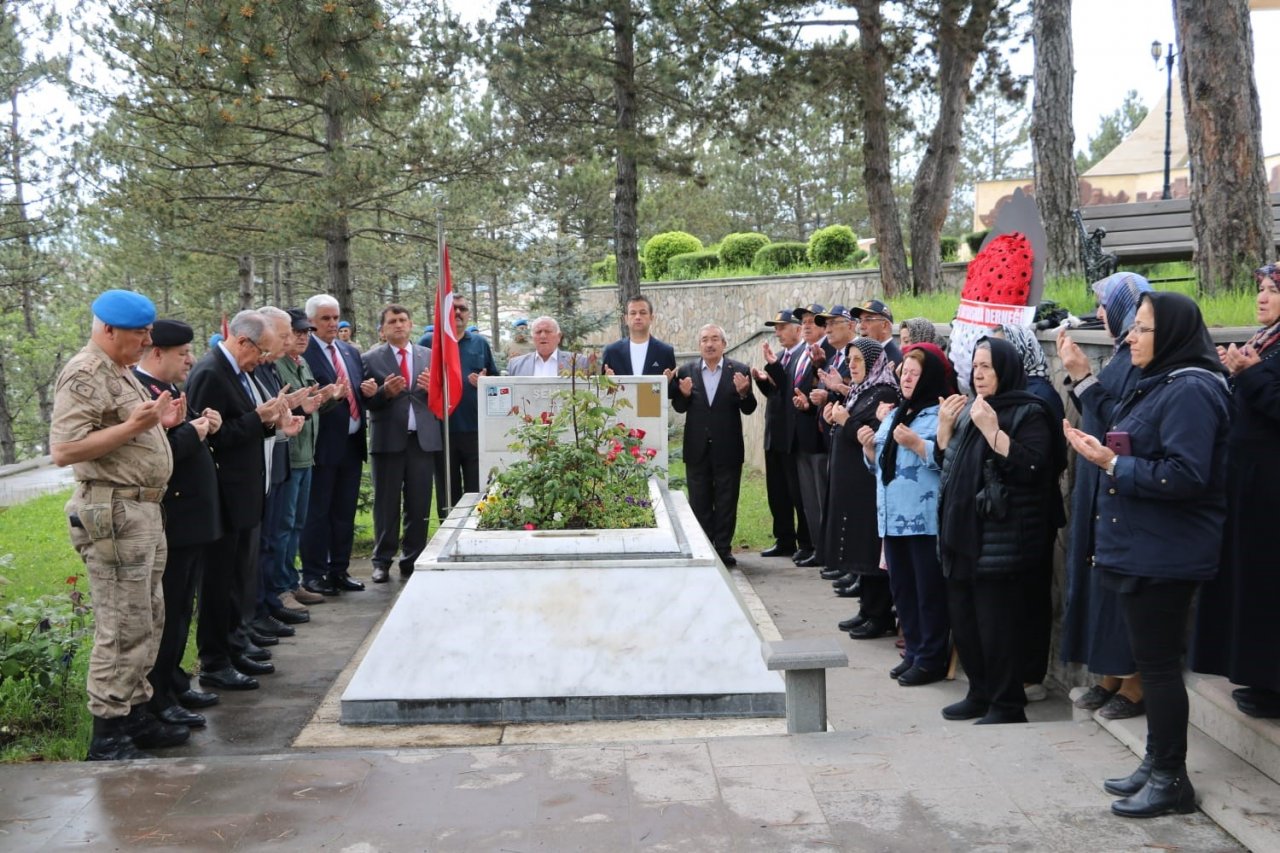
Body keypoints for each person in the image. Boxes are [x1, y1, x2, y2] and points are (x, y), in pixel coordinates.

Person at [1063, 291, 1231, 819]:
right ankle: (1156, 761)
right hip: (1142, 546)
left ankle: (1171, 778)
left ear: (1173, 335)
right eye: (1132, 328)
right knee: (1153, 664)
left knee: (1158, 669)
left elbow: (1187, 474)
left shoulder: (1192, 391)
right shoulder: (1159, 382)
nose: (1129, 337)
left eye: (1142, 329)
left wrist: (1113, 463)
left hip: (1167, 552)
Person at [51, 290, 189, 760]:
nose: (147, 340)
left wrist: (159, 425)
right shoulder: (85, 374)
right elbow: (65, 450)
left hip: (143, 510)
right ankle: (107, 734)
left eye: (149, 332)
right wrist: (134, 427)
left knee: (149, 617)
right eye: (139, 333)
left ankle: (135, 714)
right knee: (122, 622)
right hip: (113, 513)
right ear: (108, 329)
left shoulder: (122, 372)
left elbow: (125, 434)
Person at [935, 337, 1066, 724]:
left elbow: (1034, 467)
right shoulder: (970, 409)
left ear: (1005, 369)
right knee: (965, 622)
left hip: (1002, 541)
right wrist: (945, 429)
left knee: (997, 627)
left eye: (987, 366)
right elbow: (950, 466)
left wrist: (993, 431)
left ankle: (1007, 703)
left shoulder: (1030, 411)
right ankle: (979, 692)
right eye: (975, 365)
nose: (978, 373)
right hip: (962, 535)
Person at [1057, 272, 1153, 720]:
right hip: (1101, 478)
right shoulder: (1122, 353)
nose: (1099, 314)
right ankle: (1110, 674)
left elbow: (1121, 416)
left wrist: (1081, 375)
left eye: (1105, 304)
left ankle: (1134, 683)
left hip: (1120, 481)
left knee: (1119, 587)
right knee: (1096, 580)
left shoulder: (1141, 360)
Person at [186, 311, 299, 691]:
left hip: (246, 489)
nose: (264, 360)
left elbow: (242, 424)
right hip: (223, 493)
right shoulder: (210, 373)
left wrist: (267, 420)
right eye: (262, 351)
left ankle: (235, 644)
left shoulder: (238, 371)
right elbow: (212, 436)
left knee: (239, 578)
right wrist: (258, 418)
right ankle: (215, 659)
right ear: (243, 342)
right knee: (220, 581)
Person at [1191, 263, 1280, 718]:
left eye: (1271, 290)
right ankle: (1260, 678)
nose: (1262, 298)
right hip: (1250, 488)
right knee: (1251, 584)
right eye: (1260, 289)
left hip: (1271, 494)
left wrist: (1250, 375)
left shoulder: (1265, 355)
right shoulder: (1263, 345)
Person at [132, 319, 223, 729]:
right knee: (167, 611)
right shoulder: (143, 393)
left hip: (191, 520)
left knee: (182, 607)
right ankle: (160, 697)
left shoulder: (168, 391)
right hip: (173, 518)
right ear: (156, 354)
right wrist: (195, 432)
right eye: (182, 353)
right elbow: (156, 455)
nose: (190, 359)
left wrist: (198, 428)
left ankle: (174, 680)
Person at [857, 343, 953, 687]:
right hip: (892, 518)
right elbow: (881, 464)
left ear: (928, 377)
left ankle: (931, 658)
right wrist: (869, 449)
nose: (907, 378)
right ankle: (913, 650)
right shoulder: (899, 411)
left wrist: (917, 444)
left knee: (928, 591)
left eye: (915, 373)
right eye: (905, 372)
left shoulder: (942, 413)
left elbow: (948, 460)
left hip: (923, 519)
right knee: (903, 589)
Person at [995, 323, 1067, 702]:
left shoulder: (1038, 396)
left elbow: (1045, 461)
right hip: (1013, 516)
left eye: (1000, 350)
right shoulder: (1013, 393)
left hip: (1032, 514)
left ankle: (1030, 676)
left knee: (1031, 598)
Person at [822, 337, 899, 638]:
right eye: (849, 359)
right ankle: (866, 610)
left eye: (857, 360)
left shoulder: (883, 392)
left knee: (870, 550)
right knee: (858, 547)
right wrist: (835, 418)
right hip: (852, 483)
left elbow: (870, 435)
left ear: (873, 363)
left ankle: (879, 616)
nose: (851, 365)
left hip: (868, 485)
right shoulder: (862, 390)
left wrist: (845, 421)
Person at [301, 294, 376, 595]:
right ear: (311, 322)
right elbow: (304, 401)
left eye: (335, 318)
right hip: (322, 446)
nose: (333, 324)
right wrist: (328, 397)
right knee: (318, 512)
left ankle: (339, 570)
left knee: (345, 511)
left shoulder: (349, 351)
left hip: (351, 443)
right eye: (325, 319)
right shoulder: (305, 353)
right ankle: (314, 574)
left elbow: (357, 393)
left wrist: (371, 393)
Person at [362, 303, 442, 583]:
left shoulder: (429, 356)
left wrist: (434, 387)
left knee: (419, 504)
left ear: (411, 325)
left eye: (403, 320)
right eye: (392, 321)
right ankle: (382, 561)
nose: (399, 325)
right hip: (388, 442)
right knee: (386, 504)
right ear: (383, 329)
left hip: (422, 440)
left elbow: (444, 396)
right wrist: (384, 392)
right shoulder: (370, 359)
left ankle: (413, 558)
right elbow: (365, 401)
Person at [671, 324, 757, 567]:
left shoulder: (738, 370)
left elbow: (749, 408)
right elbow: (679, 407)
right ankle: (704, 545)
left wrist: (744, 392)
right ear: (699, 345)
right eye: (704, 339)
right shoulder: (687, 371)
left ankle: (723, 547)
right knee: (699, 499)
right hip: (696, 447)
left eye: (715, 339)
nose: (709, 344)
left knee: (727, 499)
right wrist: (684, 395)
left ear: (724, 344)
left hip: (727, 447)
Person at [271, 309, 334, 610]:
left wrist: (327, 399)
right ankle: (281, 588)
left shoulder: (302, 362)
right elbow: (286, 410)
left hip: (306, 454)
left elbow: (309, 407)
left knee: (297, 522)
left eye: (306, 332)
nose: (302, 337)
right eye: (296, 332)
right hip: (290, 454)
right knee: (284, 523)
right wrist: (303, 408)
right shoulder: (277, 366)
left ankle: (290, 582)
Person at [752, 309, 812, 562]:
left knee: (797, 491)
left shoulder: (803, 356)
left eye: (781, 327)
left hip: (793, 436)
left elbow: (791, 387)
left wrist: (774, 369)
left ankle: (805, 541)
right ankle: (783, 538)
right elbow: (776, 394)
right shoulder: (779, 357)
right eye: (775, 328)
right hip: (774, 433)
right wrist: (762, 381)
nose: (777, 332)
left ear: (797, 329)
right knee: (777, 491)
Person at [435, 294, 499, 519]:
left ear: (469, 314)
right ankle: (446, 538)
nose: (458, 313)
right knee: (447, 492)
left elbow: (495, 380)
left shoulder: (479, 343)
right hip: (443, 430)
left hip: (474, 430)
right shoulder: (433, 343)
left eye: (463, 309)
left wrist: (484, 382)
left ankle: (473, 533)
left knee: (476, 489)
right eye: (453, 309)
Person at [789, 303, 833, 568]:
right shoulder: (800, 354)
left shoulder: (826, 352)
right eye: (803, 320)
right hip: (802, 436)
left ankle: (825, 550)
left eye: (812, 321)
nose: (806, 325)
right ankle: (817, 546)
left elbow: (823, 386)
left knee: (822, 496)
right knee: (809, 499)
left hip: (819, 439)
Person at [601, 295, 677, 376]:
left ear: (651, 317)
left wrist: (667, 382)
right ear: (626, 319)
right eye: (633, 313)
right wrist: (607, 383)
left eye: (643, 313)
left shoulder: (665, 352)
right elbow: (601, 386)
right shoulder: (611, 353)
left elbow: (673, 386)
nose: (637, 317)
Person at [506, 316, 589, 376]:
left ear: (559, 336)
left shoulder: (579, 362)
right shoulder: (515, 365)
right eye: (538, 332)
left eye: (548, 331)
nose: (543, 336)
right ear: (532, 338)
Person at [851, 299, 903, 365]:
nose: (861, 326)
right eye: (860, 320)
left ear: (884, 325)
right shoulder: (866, 356)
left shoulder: (895, 360)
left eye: (868, 320)